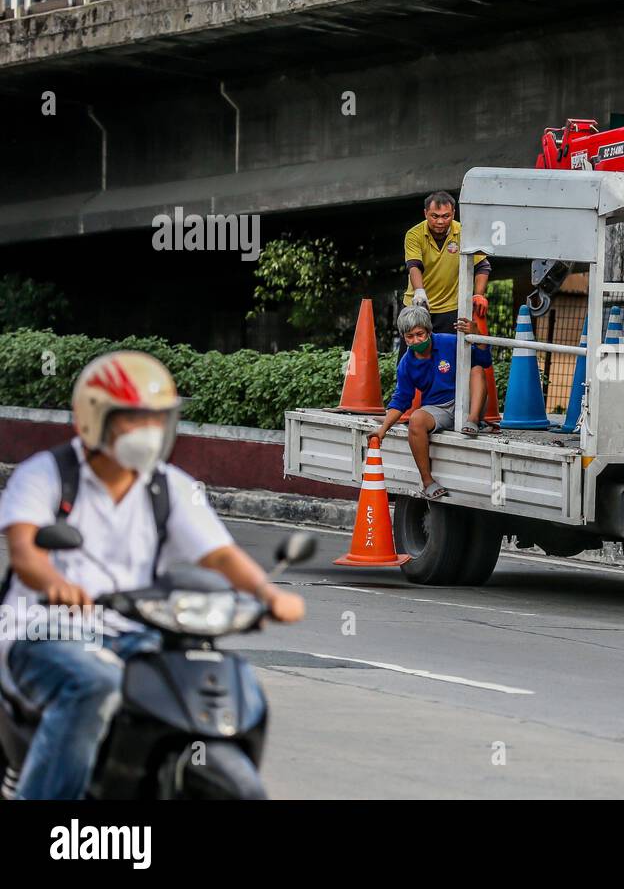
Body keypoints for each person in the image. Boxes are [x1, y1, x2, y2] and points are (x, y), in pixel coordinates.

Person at [0, 352, 305, 800]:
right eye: (134, 419)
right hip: (42, 629)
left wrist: (266, 592)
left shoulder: (171, 486)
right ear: (95, 419)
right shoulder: (45, 474)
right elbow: (25, 550)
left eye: (157, 419)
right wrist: (55, 585)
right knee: (94, 684)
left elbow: (220, 556)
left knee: (203, 681)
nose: (148, 431)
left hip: (137, 631)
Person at [367, 306, 494, 500]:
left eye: (420, 334)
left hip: (467, 401)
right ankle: (428, 482)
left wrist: (477, 334)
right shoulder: (406, 364)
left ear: (428, 331)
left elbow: (484, 360)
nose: (416, 340)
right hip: (437, 409)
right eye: (410, 336)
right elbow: (401, 400)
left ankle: (474, 420)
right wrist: (382, 429)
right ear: (403, 337)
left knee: (476, 369)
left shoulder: (449, 342)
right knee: (416, 419)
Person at [403, 191, 491, 335]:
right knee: (412, 353)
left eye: (446, 216)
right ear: (425, 213)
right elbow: (414, 266)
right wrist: (419, 292)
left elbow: (482, 266)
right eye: (435, 216)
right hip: (417, 305)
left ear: (454, 213)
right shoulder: (414, 234)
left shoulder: (464, 232)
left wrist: (478, 295)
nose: (440, 221)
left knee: (446, 355)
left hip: (450, 309)